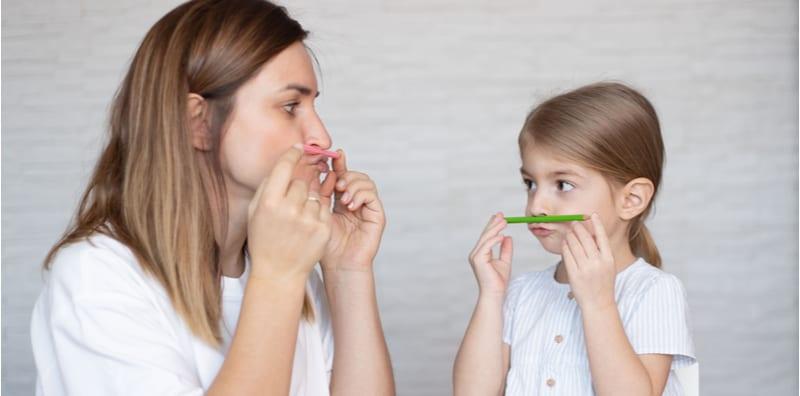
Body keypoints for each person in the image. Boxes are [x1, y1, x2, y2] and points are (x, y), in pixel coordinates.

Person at [30, 1, 395, 394]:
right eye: (291, 106)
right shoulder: (97, 278)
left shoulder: (292, 269)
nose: (321, 137)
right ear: (198, 123)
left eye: (312, 105)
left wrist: (347, 270)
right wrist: (277, 277)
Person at [453, 82, 695, 395]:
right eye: (530, 183)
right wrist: (490, 295)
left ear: (631, 199)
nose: (536, 206)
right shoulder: (521, 293)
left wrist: (598, 304)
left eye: (563, 185)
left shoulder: (653, 291)